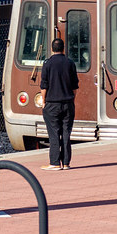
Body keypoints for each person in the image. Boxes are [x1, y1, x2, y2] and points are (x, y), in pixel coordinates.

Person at [40, 37, 79, 170]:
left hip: (52, 104)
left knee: (54, 133)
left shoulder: (47, 63)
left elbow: (44, 85)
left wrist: (43, 101)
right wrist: (72, 100)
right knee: (66, 132)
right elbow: (75, 86)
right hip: (68, 103)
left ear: (52, 49)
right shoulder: (70, 63)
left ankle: (55, 163)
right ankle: (66, 162)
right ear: (63, 48)